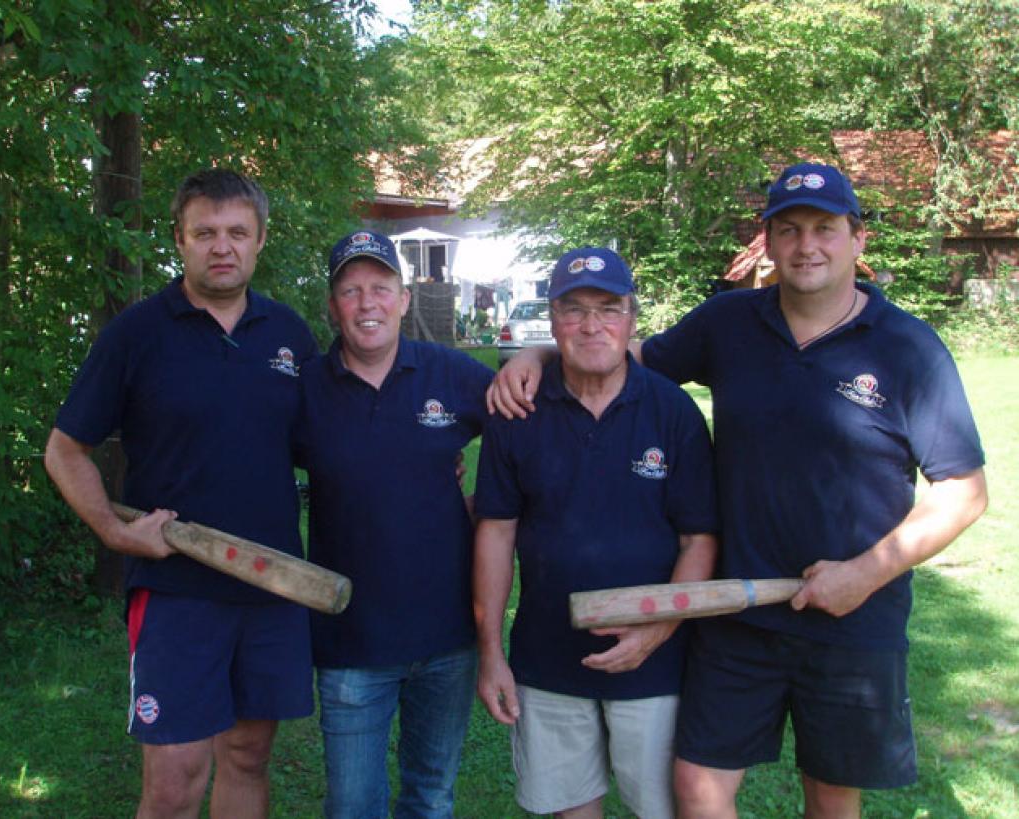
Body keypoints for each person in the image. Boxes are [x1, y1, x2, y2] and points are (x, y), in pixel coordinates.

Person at [488, 164, 989, 818]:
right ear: (769, 243)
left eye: (824, 229)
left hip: (853, 618)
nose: (807, 245)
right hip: (735, 614)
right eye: (789, 230)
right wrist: (534, 356)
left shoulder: (908, 349)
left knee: (832, 798)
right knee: (697, 785)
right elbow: (616, 347)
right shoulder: (728, 323)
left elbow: (964, 490)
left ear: (857, 239)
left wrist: (864, 574)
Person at [44, 169, 318, 818]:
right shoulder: (136, 334)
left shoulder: (289, 335)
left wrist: (428, 462)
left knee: (247, 754)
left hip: (270, 583)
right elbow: (64, 448)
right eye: (205, 233)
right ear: (180, 240)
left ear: (259, 241)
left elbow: (326, 445)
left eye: (236, 233)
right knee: (173, 779)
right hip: (176, 590)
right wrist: (114, 531)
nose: (221, 246)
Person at [474, 247, 719, 819]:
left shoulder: (673, 412)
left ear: (633, 318)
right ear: (553, 321)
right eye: (574, 309)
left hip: (658, 667)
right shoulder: (518, 411)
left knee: (661, 808)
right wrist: (491, 653)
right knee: (570, 810)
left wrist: (657, 632)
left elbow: (699, 541)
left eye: (609, 308)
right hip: (548, 659)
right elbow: (495, 534)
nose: (591, 325)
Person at [296, 230, 494, 818]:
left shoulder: (452, 375)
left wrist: (493, 505)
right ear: (333, 307)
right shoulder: (304, 391)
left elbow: (529, 432)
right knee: (353, 804)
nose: (367, 304)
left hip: (447, 636)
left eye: (381, 288)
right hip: (351, 639)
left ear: (403, 299)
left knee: (430, 797)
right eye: (351, 291)